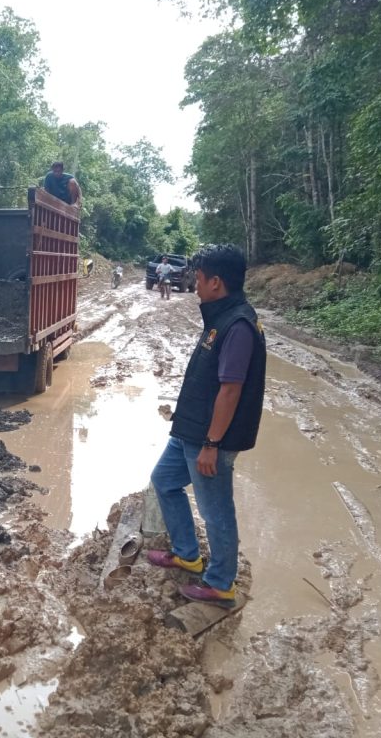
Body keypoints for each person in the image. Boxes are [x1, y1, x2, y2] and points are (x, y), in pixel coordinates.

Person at [146, 244, 267, 608]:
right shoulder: (221, 316)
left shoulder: (239, 326)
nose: (193, 284)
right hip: (189, 431)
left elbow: (231, 391)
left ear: (216, 282)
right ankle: (187, 554)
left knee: (216, 510)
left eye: (198, 279)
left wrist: (212, 444)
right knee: (164, 482)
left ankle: (220, 583)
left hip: (208, 438)